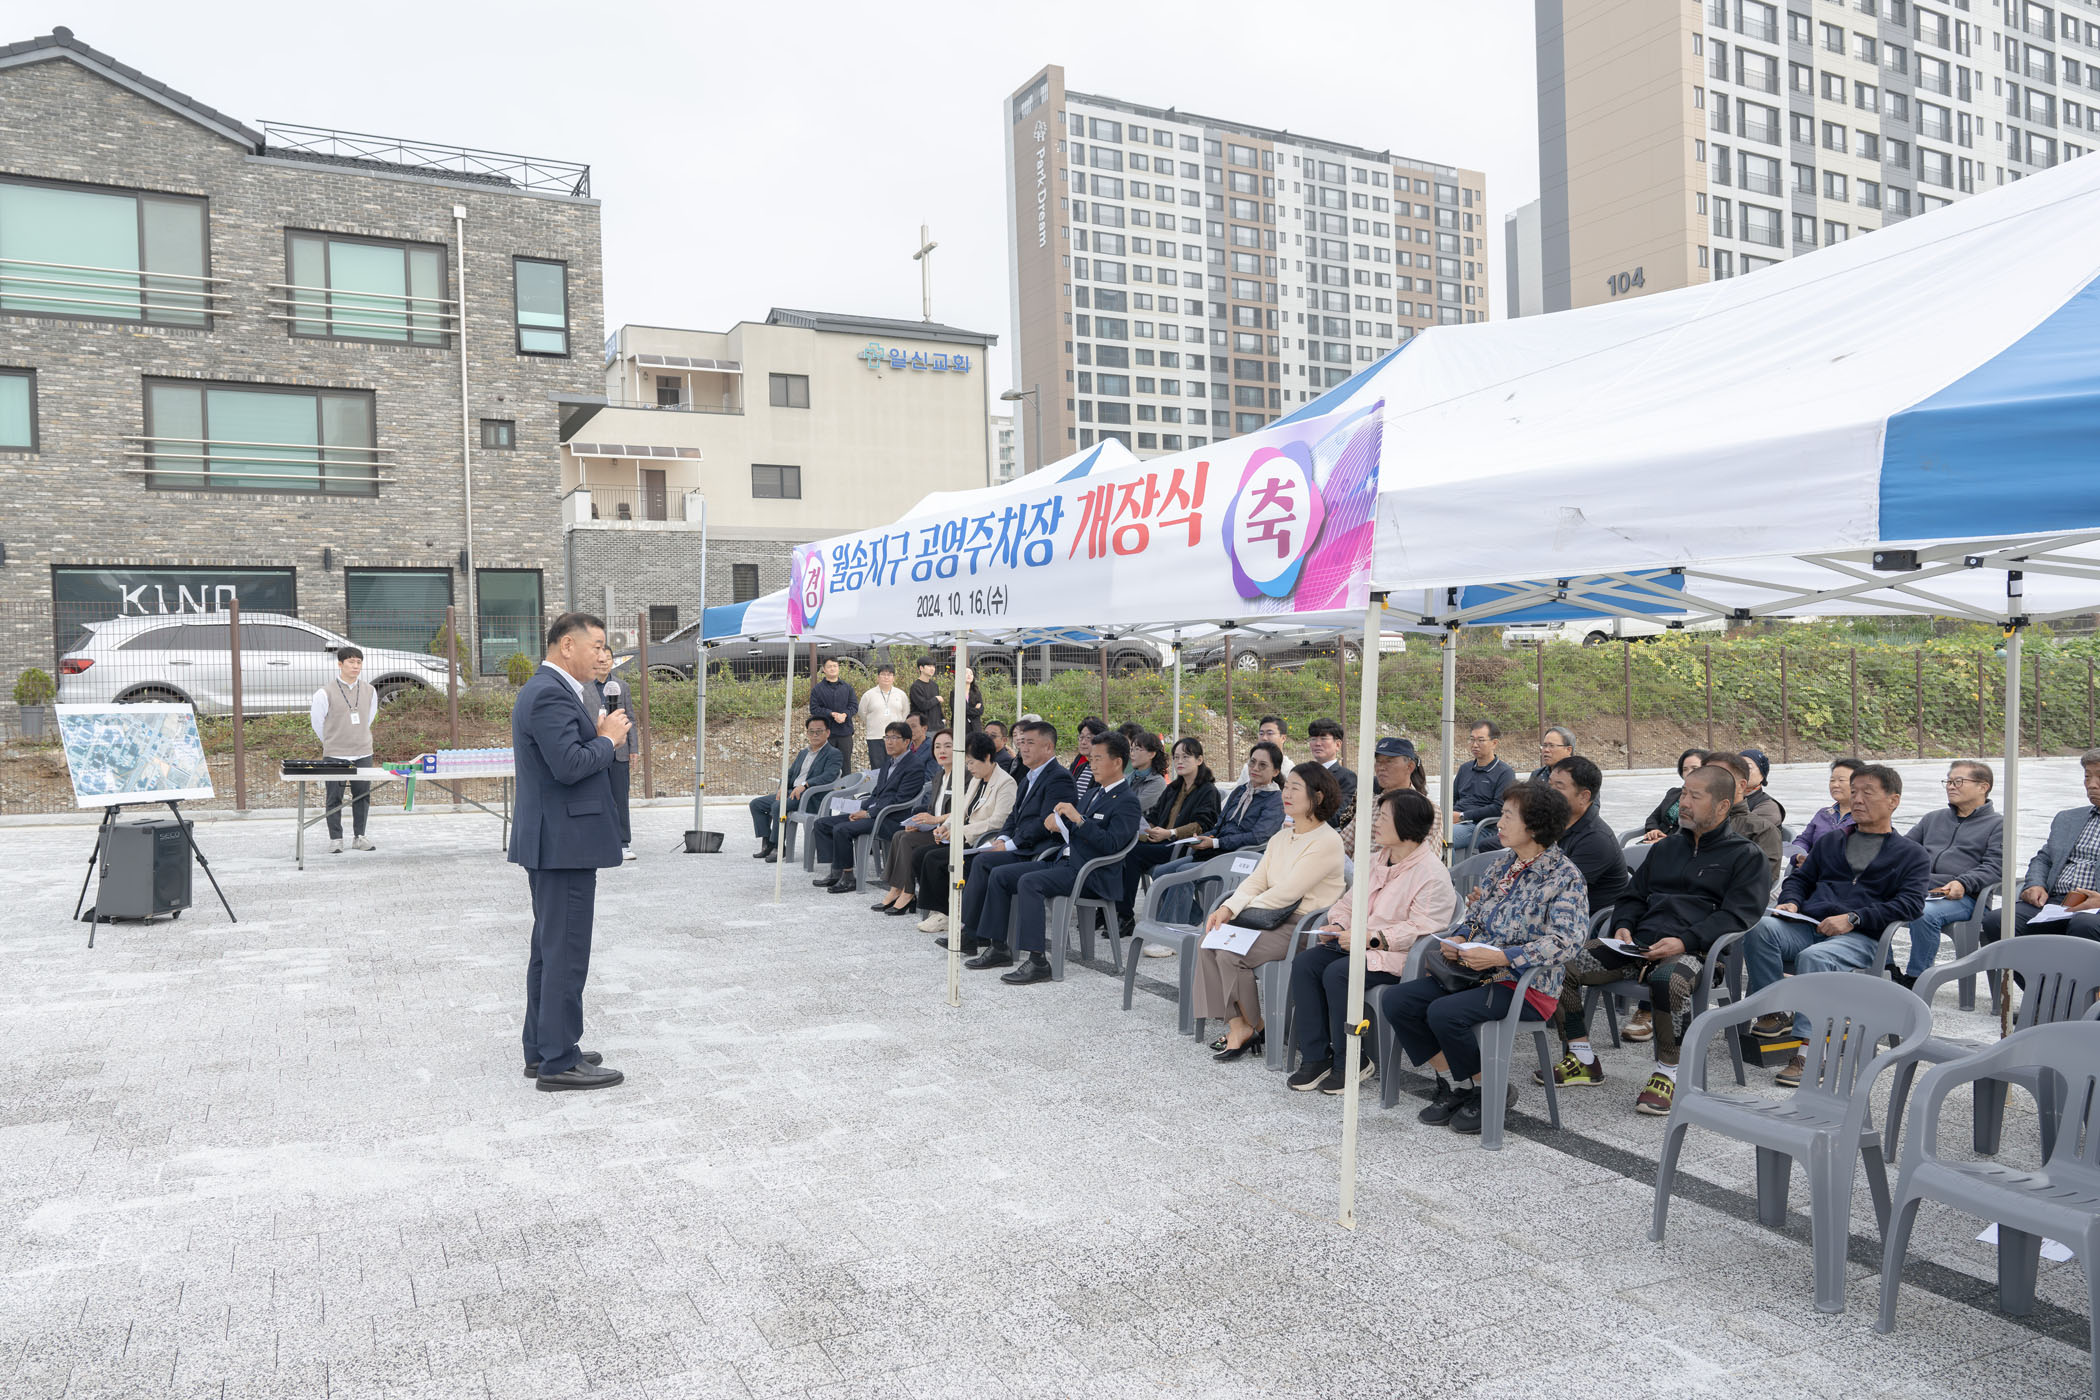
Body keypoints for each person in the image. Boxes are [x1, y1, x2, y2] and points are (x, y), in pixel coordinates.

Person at [1545, 764, 1767, 1116]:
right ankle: (1582, 1057)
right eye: (1683, 793)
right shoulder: (1666, 848)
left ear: (1723, 806)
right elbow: (1633, 895)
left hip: (1696, 951)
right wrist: (1623, 925)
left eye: (1695, 796)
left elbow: (1737, 916)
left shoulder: (1745, 856)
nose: (1684, 803)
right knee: (1559, 962)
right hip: (1639, 945)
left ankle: (1669, 1072)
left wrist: (1685, 941)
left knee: (1668, 980)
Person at [1382, 782, 1588, 1134]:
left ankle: (1488, 1089)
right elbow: (1477, 915)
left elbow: (1567, 942)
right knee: (1398, 1001)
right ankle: (1458, 1083)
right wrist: (1460, 936)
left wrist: (1504, 957)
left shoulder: (1564, 877)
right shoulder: (1504, 865)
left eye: (1508, 816)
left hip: (1526, 985)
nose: (1499, 823)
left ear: (1534, 827)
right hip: (1475, 972)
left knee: (1444, 1012)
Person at [1744, 763, 1931, 1088]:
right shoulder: (1832, 841)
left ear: (1893, 801)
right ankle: (1775, 1013)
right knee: (1759, 928)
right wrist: (1791, 901)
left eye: (1867, 793)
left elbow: (1911, 905)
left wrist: (1855, 918)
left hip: (1862, 937)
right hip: (1810, 925)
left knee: (1814, 958)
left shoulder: (1911, 854)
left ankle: (1810, 1050)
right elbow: (1800, 879)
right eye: (1854, 792)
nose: (1857, 799)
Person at [510, 612, 629, 1092]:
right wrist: (607, 739)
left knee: (550, 948)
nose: (602, 655)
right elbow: (569, 765)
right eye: (596, 645)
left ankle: (543, 1048)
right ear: (566, 646)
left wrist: (595, 733)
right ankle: (559, 1060)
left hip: (559, 841)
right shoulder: (549, 693)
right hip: (562, 844)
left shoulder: (555, 690)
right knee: (565, 952)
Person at [1287, 789, 1456, 1093]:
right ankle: (1315, 1057)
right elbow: (1348, 904)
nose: (1376, 823)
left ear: (1406, 824)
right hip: (1357, 945)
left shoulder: (1432, 873)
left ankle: (1351, 1059)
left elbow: (1421, 930)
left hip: (1397, 956)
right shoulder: (1375, 860)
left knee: (1338, 973)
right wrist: (1338, 924)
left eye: (1384, 817)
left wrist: (1372, 938)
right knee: (1306, 964)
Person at [965, 732, 1145, 985]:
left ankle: (1038, 961)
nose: (1092, 764)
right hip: (1066, 862)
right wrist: (1060, 824)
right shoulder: (1094, 794)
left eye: (1098, 759)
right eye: (1091, 759)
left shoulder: (1127, 801)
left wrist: (1078, 820)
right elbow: (1076, 830)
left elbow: (1112, 844)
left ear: (1117, 762)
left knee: (1030, 882)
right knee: (1000, 874)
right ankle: (998, 947)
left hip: (1091, 873)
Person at [1196, 763, 1348, 1058]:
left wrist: (1238, 911)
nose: (1286, 794)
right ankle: (1241, 1024)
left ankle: (1251, 1026)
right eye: (1285, 787)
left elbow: (1287, 892)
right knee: (1208, 941)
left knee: (1230, 954)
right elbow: (1257, 881)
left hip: (1300, 925)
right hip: (1266, 918)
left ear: (1317, 797)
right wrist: (1227, 908)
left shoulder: (1328, 841)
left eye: (1295, 788)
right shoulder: (1281, 838)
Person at [940, 719, 1076, 955]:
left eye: (1030, 743)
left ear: (1048, 747)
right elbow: (1013, 817)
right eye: (1021, 743)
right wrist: (1002, 839)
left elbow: (1045, 824)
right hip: (1021, 846)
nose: (1023, 748)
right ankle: (972, 933)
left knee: (985, 863)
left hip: (1039, 850)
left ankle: (980, 937)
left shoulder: (1058, 778)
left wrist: (1011, 844)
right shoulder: (1029, 777)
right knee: (976, 859)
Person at [1146, 742, 1287, 927]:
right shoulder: (1241, 790)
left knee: (1182, 873)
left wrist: (1215, 843)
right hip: (1216, 852)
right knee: (1161, 872)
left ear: (1275, 771)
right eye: (1252, 762)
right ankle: (1194, 917)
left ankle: (1171, 929)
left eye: (1263, 765)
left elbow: (1257, 837)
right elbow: (1220, 825)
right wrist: (1204, 838)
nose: (1255, 768)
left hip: (1239, 858)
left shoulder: (1275, 800)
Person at [1895, 760, 2003, 986]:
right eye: (1949, 781)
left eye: (1958, 781)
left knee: (1923, 913)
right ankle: (1887, 968)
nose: (1951, 786)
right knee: (1868, 898)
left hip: (1964, 897)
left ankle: (1916, 979)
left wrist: (1963, 883)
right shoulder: (1933, 818)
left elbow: (1996, 866)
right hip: (1919, 889)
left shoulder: (1998, 824)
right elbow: (1902, 851)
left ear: (1983, 787)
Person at [1981, 749, 2100, 945]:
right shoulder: (2068, 818)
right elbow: (2044, 858)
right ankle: (2024, 968)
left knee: (2084, 925)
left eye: (2099, 777)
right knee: (1998, 920)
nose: (2092, 784)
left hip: (2095, 906)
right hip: (2056, 901)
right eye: (2087, 776)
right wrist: (2035, 884)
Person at [915, 733, 1018, 934]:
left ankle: (946, 913)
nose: (969, 768)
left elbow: (999, 821)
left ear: (987, 757)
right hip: (965, 836)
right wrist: (946, 826)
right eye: (967, 763)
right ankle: (938, 908)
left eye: (971, 762)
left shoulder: (1006, 783)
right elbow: (960, 809)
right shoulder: (977, 780)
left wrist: (961, 830)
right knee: (920, 854)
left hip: (982, 841)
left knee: (935, 859)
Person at [811, 721, 928, 895]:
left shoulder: (914, 766)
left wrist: (867, 813)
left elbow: (900, 800)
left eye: (894, 738)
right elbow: (876, 793)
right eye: (887, 737)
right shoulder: (889, 762)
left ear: (906, 742)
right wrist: (860, 809)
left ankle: (849, 877)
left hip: (890, 818)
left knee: (842, 829)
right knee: (822, 824)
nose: (889, 742)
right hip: (874, 813)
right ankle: (836, 871)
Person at [872, 730, 955, 916]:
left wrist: (936, 820)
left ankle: (908, 892)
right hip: (935, 828)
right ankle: (896, 888)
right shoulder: (939, 776)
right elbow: (934, 809)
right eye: (937, 747)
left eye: (948, 746)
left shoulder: (964, 777)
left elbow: (964, 811)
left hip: (949, 831)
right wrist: (920, 822)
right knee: (900, 834)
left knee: (907, 840)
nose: (942, 751)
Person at [309, 644, 378, 854]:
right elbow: (317, 723)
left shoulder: (370, 690)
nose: (355, 666)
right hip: (335, 754)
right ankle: (336, 839)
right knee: (334, 797)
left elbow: (369, 717)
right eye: (351, 662)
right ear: (340, 664)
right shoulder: (324, 693)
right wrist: (332, 741)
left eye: (359, 662)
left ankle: (359, 837)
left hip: (363, 752)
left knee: (362, 796)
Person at [751, 715, 844, 861]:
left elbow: (829, 776)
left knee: (778, 806)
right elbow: (790, 773)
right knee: (756, 804)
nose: (815, 735)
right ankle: (767, 843)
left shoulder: (833, 753)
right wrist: (782, 787)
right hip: (792, 793)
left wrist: (805, 785)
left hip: (811, 796)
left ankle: (778, 847)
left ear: (828, 733)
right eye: (811, 731)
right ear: (807, 733)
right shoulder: (803, 753)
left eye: (819, 731)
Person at [1473, 725, 1575, 854]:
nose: (1546, 750)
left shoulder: (1577, 776)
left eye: (1551, 746)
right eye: (1544, 746)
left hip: (1560, 833)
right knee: (1488, 845)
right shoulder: (1537, 775)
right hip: (1532, 831)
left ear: (1568, 750)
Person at [1547, 755, 1631, 913]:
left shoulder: (1597, 840)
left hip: (1587, 920)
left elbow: (1555, 890)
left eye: (1559, 786)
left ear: (1583, 796)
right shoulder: (1553, 821)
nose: (1548, 792)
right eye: (1549, 783)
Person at [1701, 752, 1783, 886]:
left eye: (1720, 777)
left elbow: (1758, 883)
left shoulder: (1762, 830)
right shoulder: (1695, 822)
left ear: (1741, 785)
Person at [1338, 735, 1428, 849]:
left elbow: (1425, 855)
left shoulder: (1426, 810)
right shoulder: (1370, 804)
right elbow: (1343, 845)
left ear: (1410, 766)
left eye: (1389, 762)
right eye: (1378, 762)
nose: (1381, 768)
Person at [1450, 721, 1517, 854]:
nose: (1475, 745)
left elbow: (1499, 808)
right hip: (1456, 822)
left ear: (1494, 743)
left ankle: (1447, 868)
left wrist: (1463, 816)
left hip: (1482, 828)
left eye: (1481, 740)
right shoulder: (1465, 768)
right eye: (1472, 739)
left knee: (1444, 837)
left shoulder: (1505, 772)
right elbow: (1452, 799)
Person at [593, 659, 637, 862]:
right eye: (600, 660)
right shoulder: (585, 687)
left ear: (612, 662)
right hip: (595, 749)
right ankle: (598, 841)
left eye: (608, 659)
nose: (604, 663)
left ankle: (623, 843)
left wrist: (633, 748)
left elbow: (630, 719)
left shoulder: (622, 686)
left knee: (620, 798)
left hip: (620, 750)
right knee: (596, 797)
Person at [1784, 757, 1863, 868]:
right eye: (1832, 780)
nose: (1835, 785)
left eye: (1841, 780)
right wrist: (1799, 856)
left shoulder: (1868, 819)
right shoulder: (1823, 813)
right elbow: (1803, 840)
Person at [1638, 749, 1708, 843]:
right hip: (1654, 841)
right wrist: (1654, 830)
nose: (1689, 773)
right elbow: (1653, 817)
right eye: (1685, 769)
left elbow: (1696, 831)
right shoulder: (1673, 793)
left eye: (1694, 768)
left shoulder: (1708, 800)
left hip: (1681, 845)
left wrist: (1667, 841)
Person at [1305, 718, 1358, 830]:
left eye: (1323, 738)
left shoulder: (1347, 777)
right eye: (1313, 739)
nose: (1317, 743)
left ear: (1338, 744)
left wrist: (1304, 822)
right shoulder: (1302, 773)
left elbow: (1340, 815)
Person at [857, 664, 910, 770]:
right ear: (878, 677)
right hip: (875, 737)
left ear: (893, 678)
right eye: (883, 674)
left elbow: (906, 712)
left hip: (896, 737)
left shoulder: (901, 694)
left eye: (889, 675)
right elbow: (862, 713)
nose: (886, 677)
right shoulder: (869, 695)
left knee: (896, 767)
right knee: (878, 769)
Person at [808, 657, 857, 770]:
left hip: (845, 733)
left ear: (838, 668)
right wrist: (831, 714)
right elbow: (814, 709)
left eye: (835, 666)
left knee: (845, 765)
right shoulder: (817, 689)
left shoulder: (847, 688)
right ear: (824, 669)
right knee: (825, 766)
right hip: (825, 734)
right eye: (829, 666)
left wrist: (845, 715)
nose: (832, 669)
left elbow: (854, 706)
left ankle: (845, 782)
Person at [1736, 748, 1787, 828]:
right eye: (1737, 767)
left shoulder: (1768, 807)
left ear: (1762, 775)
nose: (1741, 770)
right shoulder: (1728, 797)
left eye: (1748, 767)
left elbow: (1740, 830)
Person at [1234, 716, 1294, 785]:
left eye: (1270, 733)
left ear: (1283, 738)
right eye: (1261, 734)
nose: (1264, 738)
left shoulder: (1290, 770)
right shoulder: (1248, 768)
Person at [1126, 731, 1170, 816]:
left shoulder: (1157, 783)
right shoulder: (1127, 777)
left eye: (1137, 749)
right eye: (1131, 749)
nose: (1132, 754)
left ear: (1151, 754)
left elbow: (1132, 807)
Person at [1070, 717, 1106, 800]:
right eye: (1081, 737)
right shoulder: (1081, 767)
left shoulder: (1105, 771)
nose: (1083, 742)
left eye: (1088, 737)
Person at [908, 657, 945, 732]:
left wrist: (942, 719)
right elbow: (923, 705)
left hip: (938, 726)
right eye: (929, 666)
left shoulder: (934, 685)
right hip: (923, 727)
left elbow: (937, 706)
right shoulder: (916, 687)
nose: (932, 669)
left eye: (933, 666)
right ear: (921, 668)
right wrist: (936, 699)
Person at [961, 666, 984, 734]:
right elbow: (960, 711)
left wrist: (967, 710)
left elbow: (981, 710)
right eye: (966, 673)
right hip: (961, 728)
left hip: (975, 728)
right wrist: (975, 709)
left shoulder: (976, 692)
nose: (969, 675)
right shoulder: (955, 693)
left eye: (971, 674)